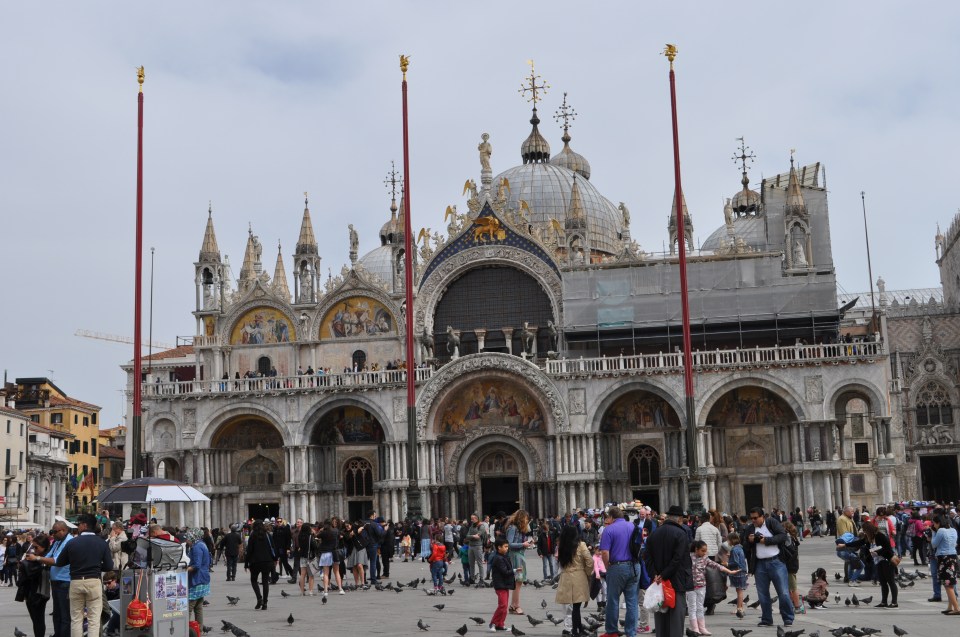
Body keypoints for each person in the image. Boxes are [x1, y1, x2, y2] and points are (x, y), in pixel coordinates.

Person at [52, 513, 113, 637]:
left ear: (84, 525)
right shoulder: (101, 543)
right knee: (94, 619)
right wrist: (96, 566)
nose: (78, 527)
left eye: (79, 524)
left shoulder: (72, 542)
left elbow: (59, 562)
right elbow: (109, 566)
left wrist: (75, 563)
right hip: (94, 581)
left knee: (76, 619)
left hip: (76, 581)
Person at [644, 505, 692, 637]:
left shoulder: (654, 533)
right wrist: (664, 574)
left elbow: (647, 556)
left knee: (660, 615)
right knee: (676, 617)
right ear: (679, 519)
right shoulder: (681, 533)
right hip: (676, 580)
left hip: (658, 582)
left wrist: (655, 574)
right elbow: (678, 559)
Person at [744, 506, 794, 627]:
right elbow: (744, 546)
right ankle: (766, 619)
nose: (753, 520)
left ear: (762, 516)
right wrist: (749, 541)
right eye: (751, 518)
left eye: (755, 518)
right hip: (760, 564)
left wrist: (765, 540)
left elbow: (782, 536)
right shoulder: (750, 528)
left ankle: (788, 618)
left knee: (783, 592)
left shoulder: (771, 522)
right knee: (762, 594)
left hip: (776, 562)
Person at [599, 506, 640, 637]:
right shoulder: (633, 527)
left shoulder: (609, 529)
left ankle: (612, 631)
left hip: (617, 567)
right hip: (634, 566)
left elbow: (604, 552)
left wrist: (607, 566)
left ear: (611, 517)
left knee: (613, 600)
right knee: (632, 601)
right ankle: (631, 632)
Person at [839, 521, 897, 608]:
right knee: (883, 582)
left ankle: (894, 603)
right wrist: (845, 545)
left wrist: (877, 552)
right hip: (878, 561)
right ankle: (884, 602)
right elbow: (859, 542)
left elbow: (888, 548)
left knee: (891, 581)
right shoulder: (868, 538)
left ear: (869, 530)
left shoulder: (880, 536)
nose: (864, 532)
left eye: (865, 530)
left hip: (887, 561)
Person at [687, 539, 739, 635]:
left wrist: (729, 571)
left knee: (700, 607)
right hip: (690, 587)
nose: (704, 553)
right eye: (702, 551)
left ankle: (702, 628)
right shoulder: (689, 557)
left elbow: (716, 565)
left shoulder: (705, 558)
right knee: (692, 608)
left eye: (705, 551)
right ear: (696, 549)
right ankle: (695, 629)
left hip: (701, 586)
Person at [33, 520, 72, 637]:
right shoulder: (58, 541)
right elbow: (49, 556)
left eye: (55, 532)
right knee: (57, 614)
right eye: (52, 532)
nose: (53, 534)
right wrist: (37, 556)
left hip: (64, 581)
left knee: (64, 614)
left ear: (63, 530)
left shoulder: (69, 541)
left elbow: (56, 561)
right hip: (56, 581)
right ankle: (57, 634)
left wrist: (37, 558)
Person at [555, 524, 593, 637]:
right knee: (577, 606)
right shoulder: (581, 545)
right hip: (578, 576)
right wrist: (587, 573)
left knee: (572, 605)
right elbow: (590, 561)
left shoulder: (561, 546)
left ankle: (578, 628)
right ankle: (576, 630)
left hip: (566, 577)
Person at [18, 533, 51, 637]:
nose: (34, 549)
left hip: (39, 592)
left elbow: (33, 572)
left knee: (38, 619)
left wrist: (33, 560)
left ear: (44, 547)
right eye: (33, 546)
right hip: (30, 591)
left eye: (36, 547)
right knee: (35, 619)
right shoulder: (34, 556)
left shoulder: (45, 558)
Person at [243, 520, 277, 610]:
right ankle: (265, 603)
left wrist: (246, 564)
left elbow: (249, 550)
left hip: (255, 562)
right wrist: (275, 559)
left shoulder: (252, 535)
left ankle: (259, 598)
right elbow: (273, 547)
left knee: (254, 580)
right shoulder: (267, 534)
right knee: (265, 582)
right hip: (267, 561)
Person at [505, 509, 533, 615]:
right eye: (526, 518)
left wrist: (526, 544)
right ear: (521, 518)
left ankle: (514, 605)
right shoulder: (513, 528)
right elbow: (509, 544)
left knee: (519, 581)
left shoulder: (518, 528)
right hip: (515, 556)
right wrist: (523, 544)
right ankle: (515, 606)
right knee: (518, 581)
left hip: (520, 555)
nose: (527, 520)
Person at [931, 513, 959, 615]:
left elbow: (934, 544)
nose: (934, 525)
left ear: (938, 523)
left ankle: (956, 608)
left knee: (948, 585)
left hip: (944, 558)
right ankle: (950, 606)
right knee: (951, 583)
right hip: (953, 557)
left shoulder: (941, 531)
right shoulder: (953, 530)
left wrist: (933, 533)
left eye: (934, 523)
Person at [184, 528, 211, 628]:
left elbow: (196, 565)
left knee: (189, 606)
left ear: (193, 537)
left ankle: (185, 630)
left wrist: (184, 570)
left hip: (197, 580)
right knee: (198, 606)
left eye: (188, 538)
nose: (186, 540)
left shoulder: (196, 547)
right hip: (203, 578)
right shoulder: (202, 544)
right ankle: (199, 629)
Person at [489, 538, 515, 632]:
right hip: (500, 585)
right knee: (502, 605)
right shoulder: (498, 558)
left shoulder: (503, 556)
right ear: (499, 547)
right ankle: (493, 623)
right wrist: (514, 571)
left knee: (504, 606)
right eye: (505, 546)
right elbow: (505, 572)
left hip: (504, 584)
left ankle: (500, 624)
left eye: (507, 546)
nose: (507, 548)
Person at [317, 521, 344, 596]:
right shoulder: (335, 531)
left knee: (326, 573)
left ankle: (325, 590)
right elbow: (340, 537)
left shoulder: (323, 532)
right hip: (334, 552)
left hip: (325, 553)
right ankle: (340, 589)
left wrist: (321, 530)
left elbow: (317, 536)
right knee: (337, 572)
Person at [782, 521, 802, 614]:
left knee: (793, 588)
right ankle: (791, 605)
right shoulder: (792, 537)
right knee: (790, 587)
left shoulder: (787, 537)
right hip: (793, 565)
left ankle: (797, 606)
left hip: (789, 565)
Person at [727, 533, 748, 618]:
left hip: (738, 571)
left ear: (731, 540)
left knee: (739, 591)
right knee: (740, 590)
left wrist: (727, 564)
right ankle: (741, 608)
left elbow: (735, 562)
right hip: (742, 570)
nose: (728, 542)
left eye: (728, 540)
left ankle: (739, 608)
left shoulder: (734, 549)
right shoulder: (740, 547)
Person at [465, 513, 487, 585]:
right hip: (470, 546)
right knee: (471, 564)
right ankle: (472, 578)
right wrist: (473, 536)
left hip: (478, 546)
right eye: (471, 518)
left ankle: (481, 579)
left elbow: (478, 536)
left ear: (476, 519)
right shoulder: (471, 526)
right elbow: (467, 536)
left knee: (479, 563)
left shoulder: (481, 526)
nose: (471, 520)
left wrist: (471, 536)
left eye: (472, 519)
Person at [296, 522, 316, 596]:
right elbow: (314, 546)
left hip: (302, 556)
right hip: (309, 557)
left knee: (302, 574)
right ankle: (310, 591)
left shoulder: (300, 535)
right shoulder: (310, 536)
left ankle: (302, 591)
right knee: (311, 574)